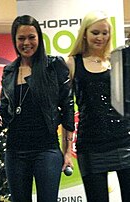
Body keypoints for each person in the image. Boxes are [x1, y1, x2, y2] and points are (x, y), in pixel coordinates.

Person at [0, 15, 75, 202]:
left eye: (31, 37)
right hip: (15, 151)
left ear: (39, 38)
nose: (26, 43)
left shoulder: (54, 66)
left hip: (47, 149)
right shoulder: (10, 71)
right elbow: (6, 112)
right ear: (14, 40)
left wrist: (67, 152)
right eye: (21, 38)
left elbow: (67, 109)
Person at [66, 11, 130, 202]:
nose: (100, 37)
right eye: (95, 32)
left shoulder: (117, 61)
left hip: (124, 141)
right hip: (90, 144)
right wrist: (66, 149)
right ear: (84, 33)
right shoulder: (72, 63)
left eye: (105, 33)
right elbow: (66, 107)